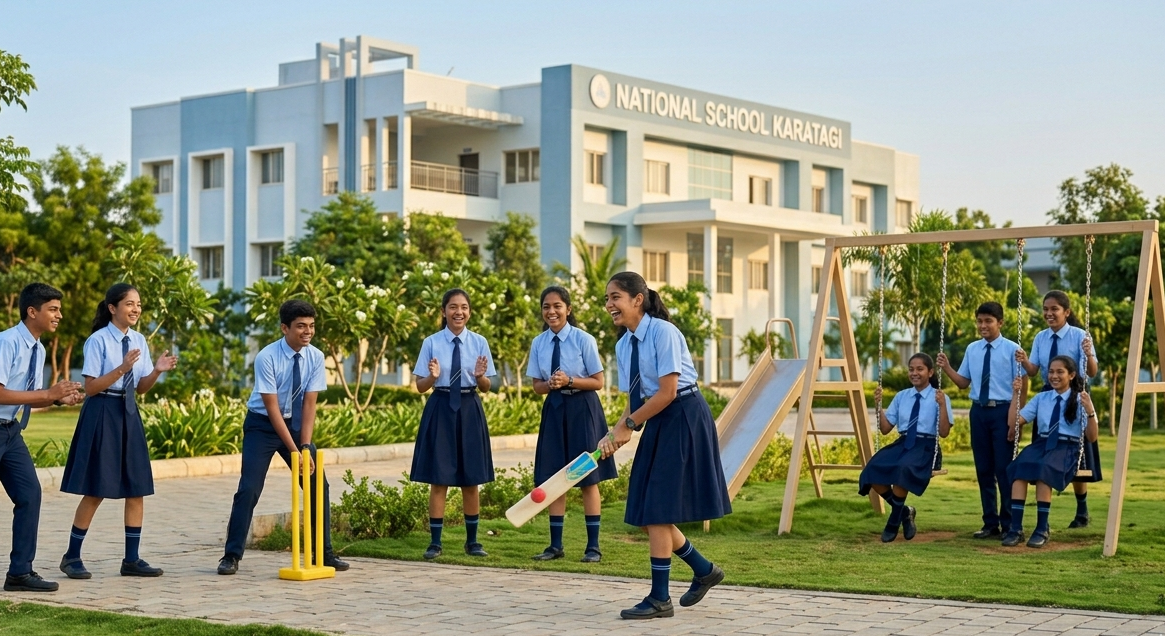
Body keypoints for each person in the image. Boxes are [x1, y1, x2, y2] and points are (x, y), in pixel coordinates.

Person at [598, 272, 731, 620]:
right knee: (645, 512)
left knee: (657, 510)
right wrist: (616, 430)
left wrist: (630, 424)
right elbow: (636, 394)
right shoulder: (624, 344)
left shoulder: (663, 332)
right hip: (658, 418)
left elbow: (668, 391)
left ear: (637, 299)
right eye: (607, 299)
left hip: (684, 416)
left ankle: (660, 598)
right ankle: (704, 570)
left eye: (615, 298)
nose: (609, 305)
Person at [218, 300, 348, 575]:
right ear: (284, 328)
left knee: (317, 486)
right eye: (301, 326)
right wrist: (295, 451)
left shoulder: (314, 356)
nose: (307, 331)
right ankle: (231, 556)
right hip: (262, 426)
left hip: (297, 426)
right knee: (249, 489)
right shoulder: (267, 357)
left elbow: (310, 404)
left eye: (311, 326)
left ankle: (324, 554)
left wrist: (304, 446)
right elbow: (272, 408)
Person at [59, 283, 176, 579]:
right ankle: (71, 557)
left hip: (129, 412)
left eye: (138, 304)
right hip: (102, 413)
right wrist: (123, 368)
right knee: (96, 488)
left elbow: (141, 387)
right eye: (129, 304)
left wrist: (157, 370)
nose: (136, 309)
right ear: (113, 308)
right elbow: (91, 387)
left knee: (137, 487)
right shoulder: (97, 341)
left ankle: (132, 560)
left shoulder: (139, 340)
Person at [1, 284, 83, 592]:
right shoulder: (7, 343)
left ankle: (20, 573)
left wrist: (58, 399)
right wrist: (49, 393)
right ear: (31, 312)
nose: (59, 315)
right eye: (53, 309)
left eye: (59, 309)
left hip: (10, 431)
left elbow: (29, 398)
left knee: (29, 494)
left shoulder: (39, 348)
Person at [527, 286, 616, 563]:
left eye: (557, 306)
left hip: (582, 409)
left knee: (587, 476)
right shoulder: (538, 343)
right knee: (556, 479)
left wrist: (569, 381)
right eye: (546, 307)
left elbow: (598, 382)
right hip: (554, 409)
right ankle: (555, 546)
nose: (551, 311)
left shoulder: (583, 340)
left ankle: (593, 547)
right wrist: (550, 384)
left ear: (568, 308)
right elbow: (536, 386)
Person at [411, 288, 496, 560]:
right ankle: (435, 543)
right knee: (439, 478)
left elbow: (486, 386)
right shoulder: (431, 342)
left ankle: (472, 542)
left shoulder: (479, 342)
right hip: (441, 406)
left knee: (471, 479)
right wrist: (432, 377)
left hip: (470, 408)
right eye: (452, 307)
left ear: (469, 311)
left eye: (464, 307)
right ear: (443, 311)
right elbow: (420, 386)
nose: (458, 312)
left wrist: (481, 376)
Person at [936, 302, 1023, 539]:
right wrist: (947, 368)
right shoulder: (972, 349)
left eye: (988, 321)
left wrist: (1016, 421)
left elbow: (1021, 388)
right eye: (980, 321)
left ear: (1000, 323)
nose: (983, 326)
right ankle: (990, 523)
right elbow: (964, 383)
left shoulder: (1012, 350)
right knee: (983, 469)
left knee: (1004, 470)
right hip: (979, 412)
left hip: (1003, 411)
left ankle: (1010, 524)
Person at [1015, 290, 1101, 529]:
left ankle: (1081, 508)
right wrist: (1024, 360)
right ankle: (1040, 518)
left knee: (1077, 455)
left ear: (1066, 312)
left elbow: (1091, 372)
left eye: (1054, 309)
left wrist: (1087, 353)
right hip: (1047, 396)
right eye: (1046, 309)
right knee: (1045, 451)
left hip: (1075, 394)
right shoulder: (1040, 337)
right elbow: (1033, 371)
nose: (1049, 313)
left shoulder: (1080, 335)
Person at [1003, 355, 1098, 548]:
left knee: (1043, 470)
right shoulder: (1042, 398)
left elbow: (1092, 437)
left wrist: (1089, 411)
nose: (1054, 376)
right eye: (1051, 372)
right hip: (1042, 444)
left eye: (1060, 372)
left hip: (1067, 446)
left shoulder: (1081, 399)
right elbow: (1014, 422)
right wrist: (1016, 395)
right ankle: (1016, 529)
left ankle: (1041, 528)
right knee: (1019, 468)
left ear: (1071, 375)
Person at [862, 353, 953, 543]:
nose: (914, 373)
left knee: (903, 468)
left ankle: (893, 522)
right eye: (911, 369)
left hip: (926, 446)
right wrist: (878, 407)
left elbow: (944, 432)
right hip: (903, 443)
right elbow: (886, 429)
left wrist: (942, 405)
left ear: (930, 372)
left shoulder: (939, 397)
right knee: (872, 470)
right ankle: (904, 512)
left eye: (920, 369)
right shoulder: (902, 396)